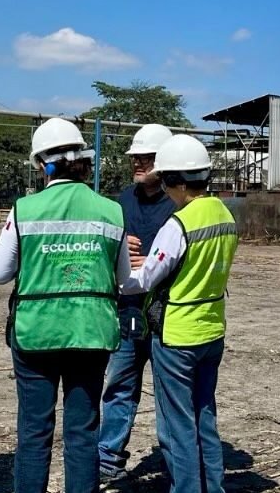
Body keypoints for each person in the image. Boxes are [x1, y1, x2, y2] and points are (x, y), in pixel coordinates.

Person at [0, 118, 133, 493]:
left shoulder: (24, 209)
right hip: (91, 332)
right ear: (84, 160)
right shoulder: (111, 211)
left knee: (35, 432)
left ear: (42, 164)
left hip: (36, 333)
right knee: (83, 432)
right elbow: (122, 278)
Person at [121, 135, 237, 493]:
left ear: (176, 181)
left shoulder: (179, 223)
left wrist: (117, 268)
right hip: (212, 330)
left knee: (176, 424)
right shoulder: (225, 213)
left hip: (177, 335)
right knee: (205, 415)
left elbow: (144, 279)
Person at [98, 124, 176, 485]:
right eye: (135, 158)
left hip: (165, 314)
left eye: (146, 158)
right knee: (119, 387)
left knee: (168, 394)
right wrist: (117, 249)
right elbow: (102, 253)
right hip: (127, 311)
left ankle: (175, 464)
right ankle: (108, 460)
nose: (138, 163)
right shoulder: (120, 202)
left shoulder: (178, 204)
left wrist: (150, 263)